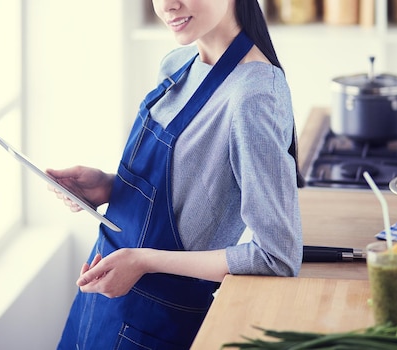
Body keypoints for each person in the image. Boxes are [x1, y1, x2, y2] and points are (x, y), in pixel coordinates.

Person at [48, 0, 303, 348]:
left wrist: (143, 261)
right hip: (99, 300)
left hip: (156, 325)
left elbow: (277, 256)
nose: (168, 5)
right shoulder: (178, 63)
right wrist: (110, 187)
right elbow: (186, 191)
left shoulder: (254, 95)